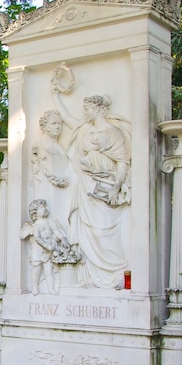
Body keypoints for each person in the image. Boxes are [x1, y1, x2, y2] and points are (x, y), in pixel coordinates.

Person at [51, 84, 132, 289]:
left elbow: (123, 161)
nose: (84, 112)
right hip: (85, 185)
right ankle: (88, 277)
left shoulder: (113, 132)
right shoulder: (84, 129)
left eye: (87, 109)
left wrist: (116, 188)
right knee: (86, 229)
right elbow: (67, 118)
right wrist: (55, 95)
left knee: (103, 229)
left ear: (97, 108)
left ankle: (116, 274)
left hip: (105, 186)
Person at [21, 199, 79, 295]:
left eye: (45, 206)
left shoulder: (50, 222)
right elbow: (37, 238)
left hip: (47, 252)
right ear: (35, 213)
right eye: (41, 207)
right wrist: (48, 246)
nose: (45, 209)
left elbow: (57, 232)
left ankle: (51, 289)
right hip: (38, 251)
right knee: (36, 270)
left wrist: (63, 239)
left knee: (49, 271)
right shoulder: (36, 225)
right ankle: (35, 288)